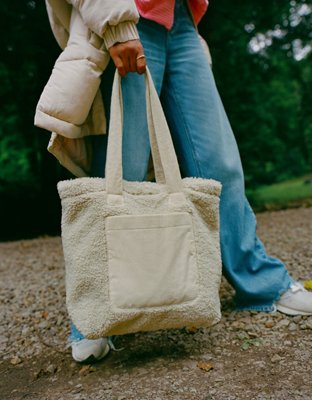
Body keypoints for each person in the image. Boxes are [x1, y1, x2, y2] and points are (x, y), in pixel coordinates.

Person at [36, 0, 312, 363]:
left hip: (180, 24)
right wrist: (117, 26)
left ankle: (260, 281)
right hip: (128, 15)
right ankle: (96, 316)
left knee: (220, 165)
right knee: (124, 169)